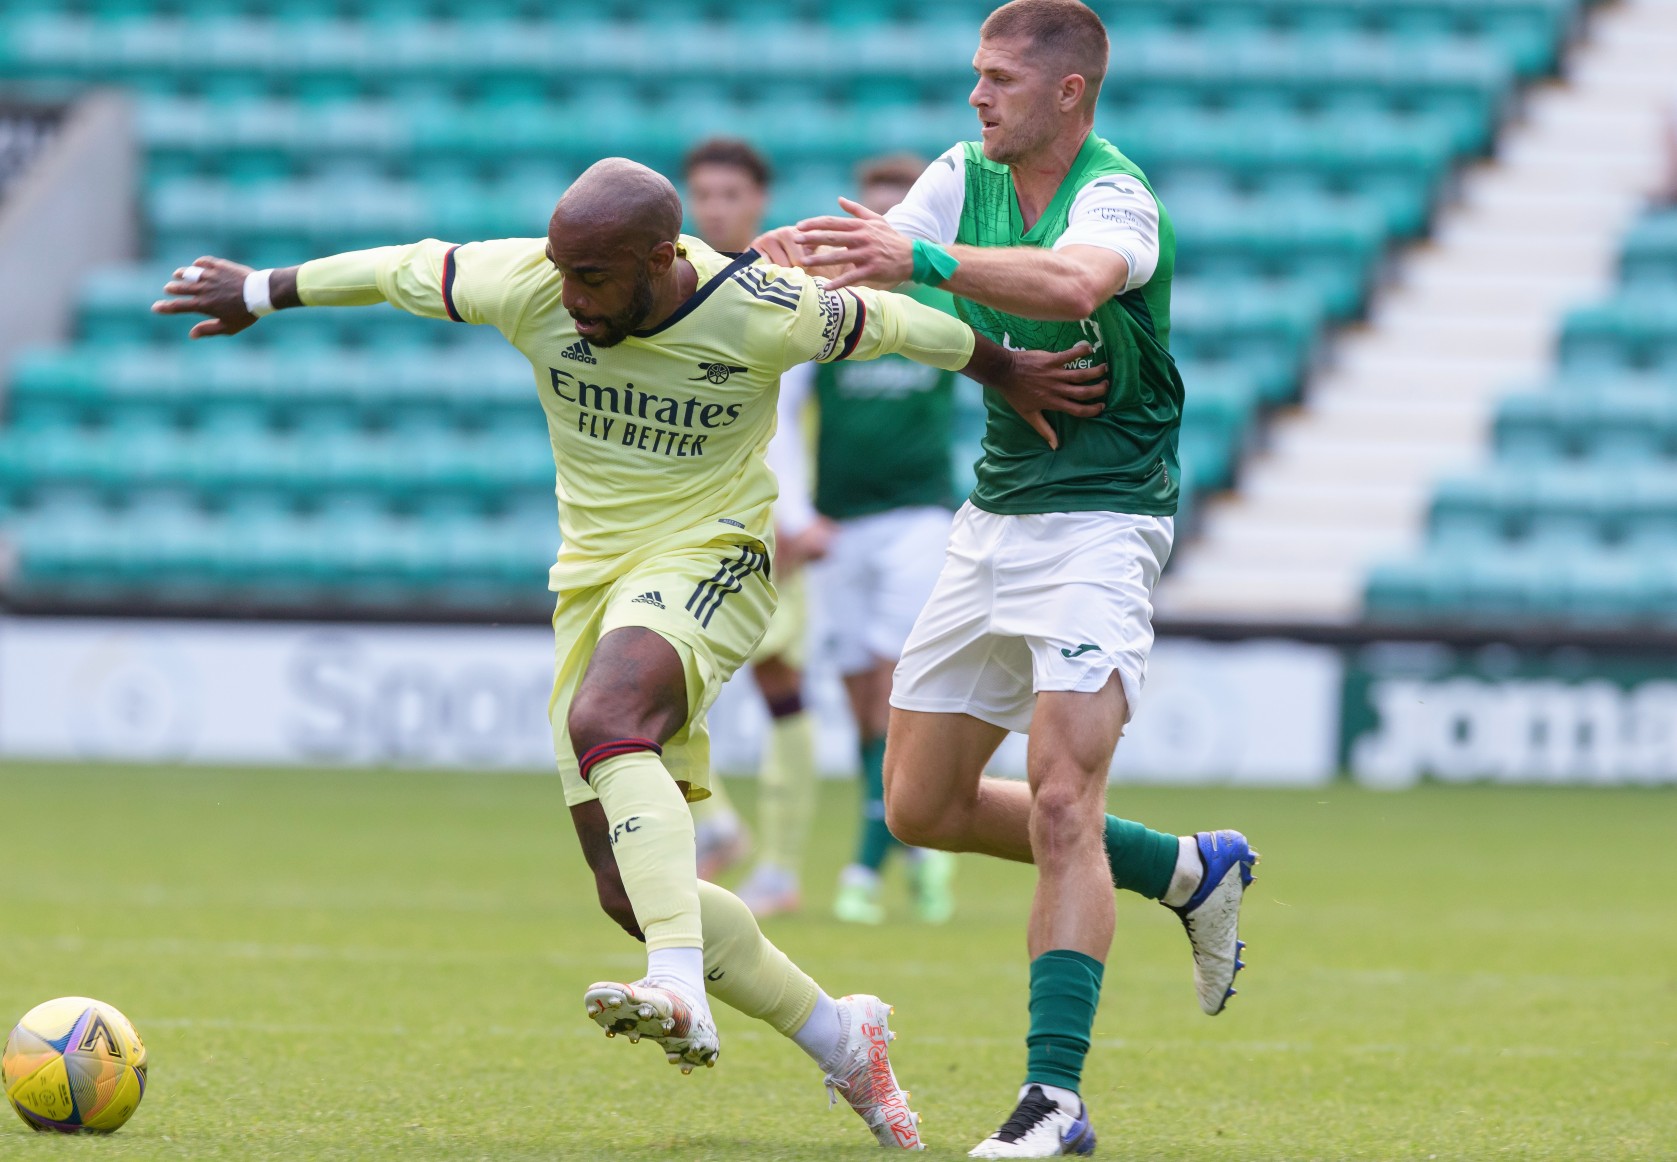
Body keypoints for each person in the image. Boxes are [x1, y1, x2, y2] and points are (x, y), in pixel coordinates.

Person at [153, 156, 1106, 1149]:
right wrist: (259, 291)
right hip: (593, 584)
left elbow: (896, 324)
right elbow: (401, 267)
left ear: (661, 260)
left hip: (714, 558)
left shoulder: (764, 308)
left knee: (608, 723)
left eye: (593, 277)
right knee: (627, 888)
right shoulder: (530, 282)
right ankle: (841, 1036)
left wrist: (1005, 366)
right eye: (562, 271)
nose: (570, 297)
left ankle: (677, 982)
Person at [756, 3, 1260, 1155]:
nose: (976, 97)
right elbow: (880, 267)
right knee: (922, 805)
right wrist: (791, 257)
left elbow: (1076, 283)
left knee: (1060, 797)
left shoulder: (1118, 196)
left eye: (996, 80)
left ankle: (1055, 1103)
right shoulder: (957, 171)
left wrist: (919, 259)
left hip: (1105, 522)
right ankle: (1188, 869)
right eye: (973, 78)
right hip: (991, 522)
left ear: (1069, 93)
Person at [792, 153, 964, 926]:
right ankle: (921, 849)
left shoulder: (943, 300)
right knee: (863, 696)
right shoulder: (824, 309)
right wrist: (796, 514)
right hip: (840, 526)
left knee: (894, 684)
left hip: (917, 517)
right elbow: (779, 414)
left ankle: (863, 866)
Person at [682, 138, 825, 910]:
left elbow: (800, 420)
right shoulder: (675, 283)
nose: (714, 207)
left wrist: (800, 520)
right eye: (702, 193)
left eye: (730, 194)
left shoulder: (785, 290)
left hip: (770, 524)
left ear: (758, 201)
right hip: (697, 521)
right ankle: (718, 827)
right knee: (666, 686)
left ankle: (778, 865)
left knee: (780, 687)